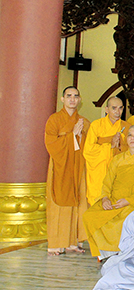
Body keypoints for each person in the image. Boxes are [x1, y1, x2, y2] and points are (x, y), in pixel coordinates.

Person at [83, 125, 134, 258]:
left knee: (125, 220)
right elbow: (107, 182)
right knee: (89, 216)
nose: (132, 138)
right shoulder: (117, 159)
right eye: (129, 135)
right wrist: (105, 198)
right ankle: (107, 253)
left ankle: (123, 252)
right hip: (114, 201)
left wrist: (128, 201)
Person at [45, 86, 89, 256]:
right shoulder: (54, 120)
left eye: (76, 96)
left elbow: (91, 144)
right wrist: (72, 136)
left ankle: (72, 242)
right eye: (69, 96)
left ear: (80, 100)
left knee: (77, 201)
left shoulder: (84, 121)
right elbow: (51, 143)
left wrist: (80, 135)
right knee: (59, 202)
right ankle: (55, 243)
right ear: (62, 99)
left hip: (78, 166)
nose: (72, 99)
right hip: (60, 165)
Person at [84, 96, 129, 206]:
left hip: (118, 173)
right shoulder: (96, 125)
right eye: (114, 108)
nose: (117, 112)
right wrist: (110, 146)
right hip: (99, 173)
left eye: (120, 108)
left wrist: (119, 145)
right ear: (106, 109)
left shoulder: (127, 127)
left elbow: (131, 152)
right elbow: (88, 150)